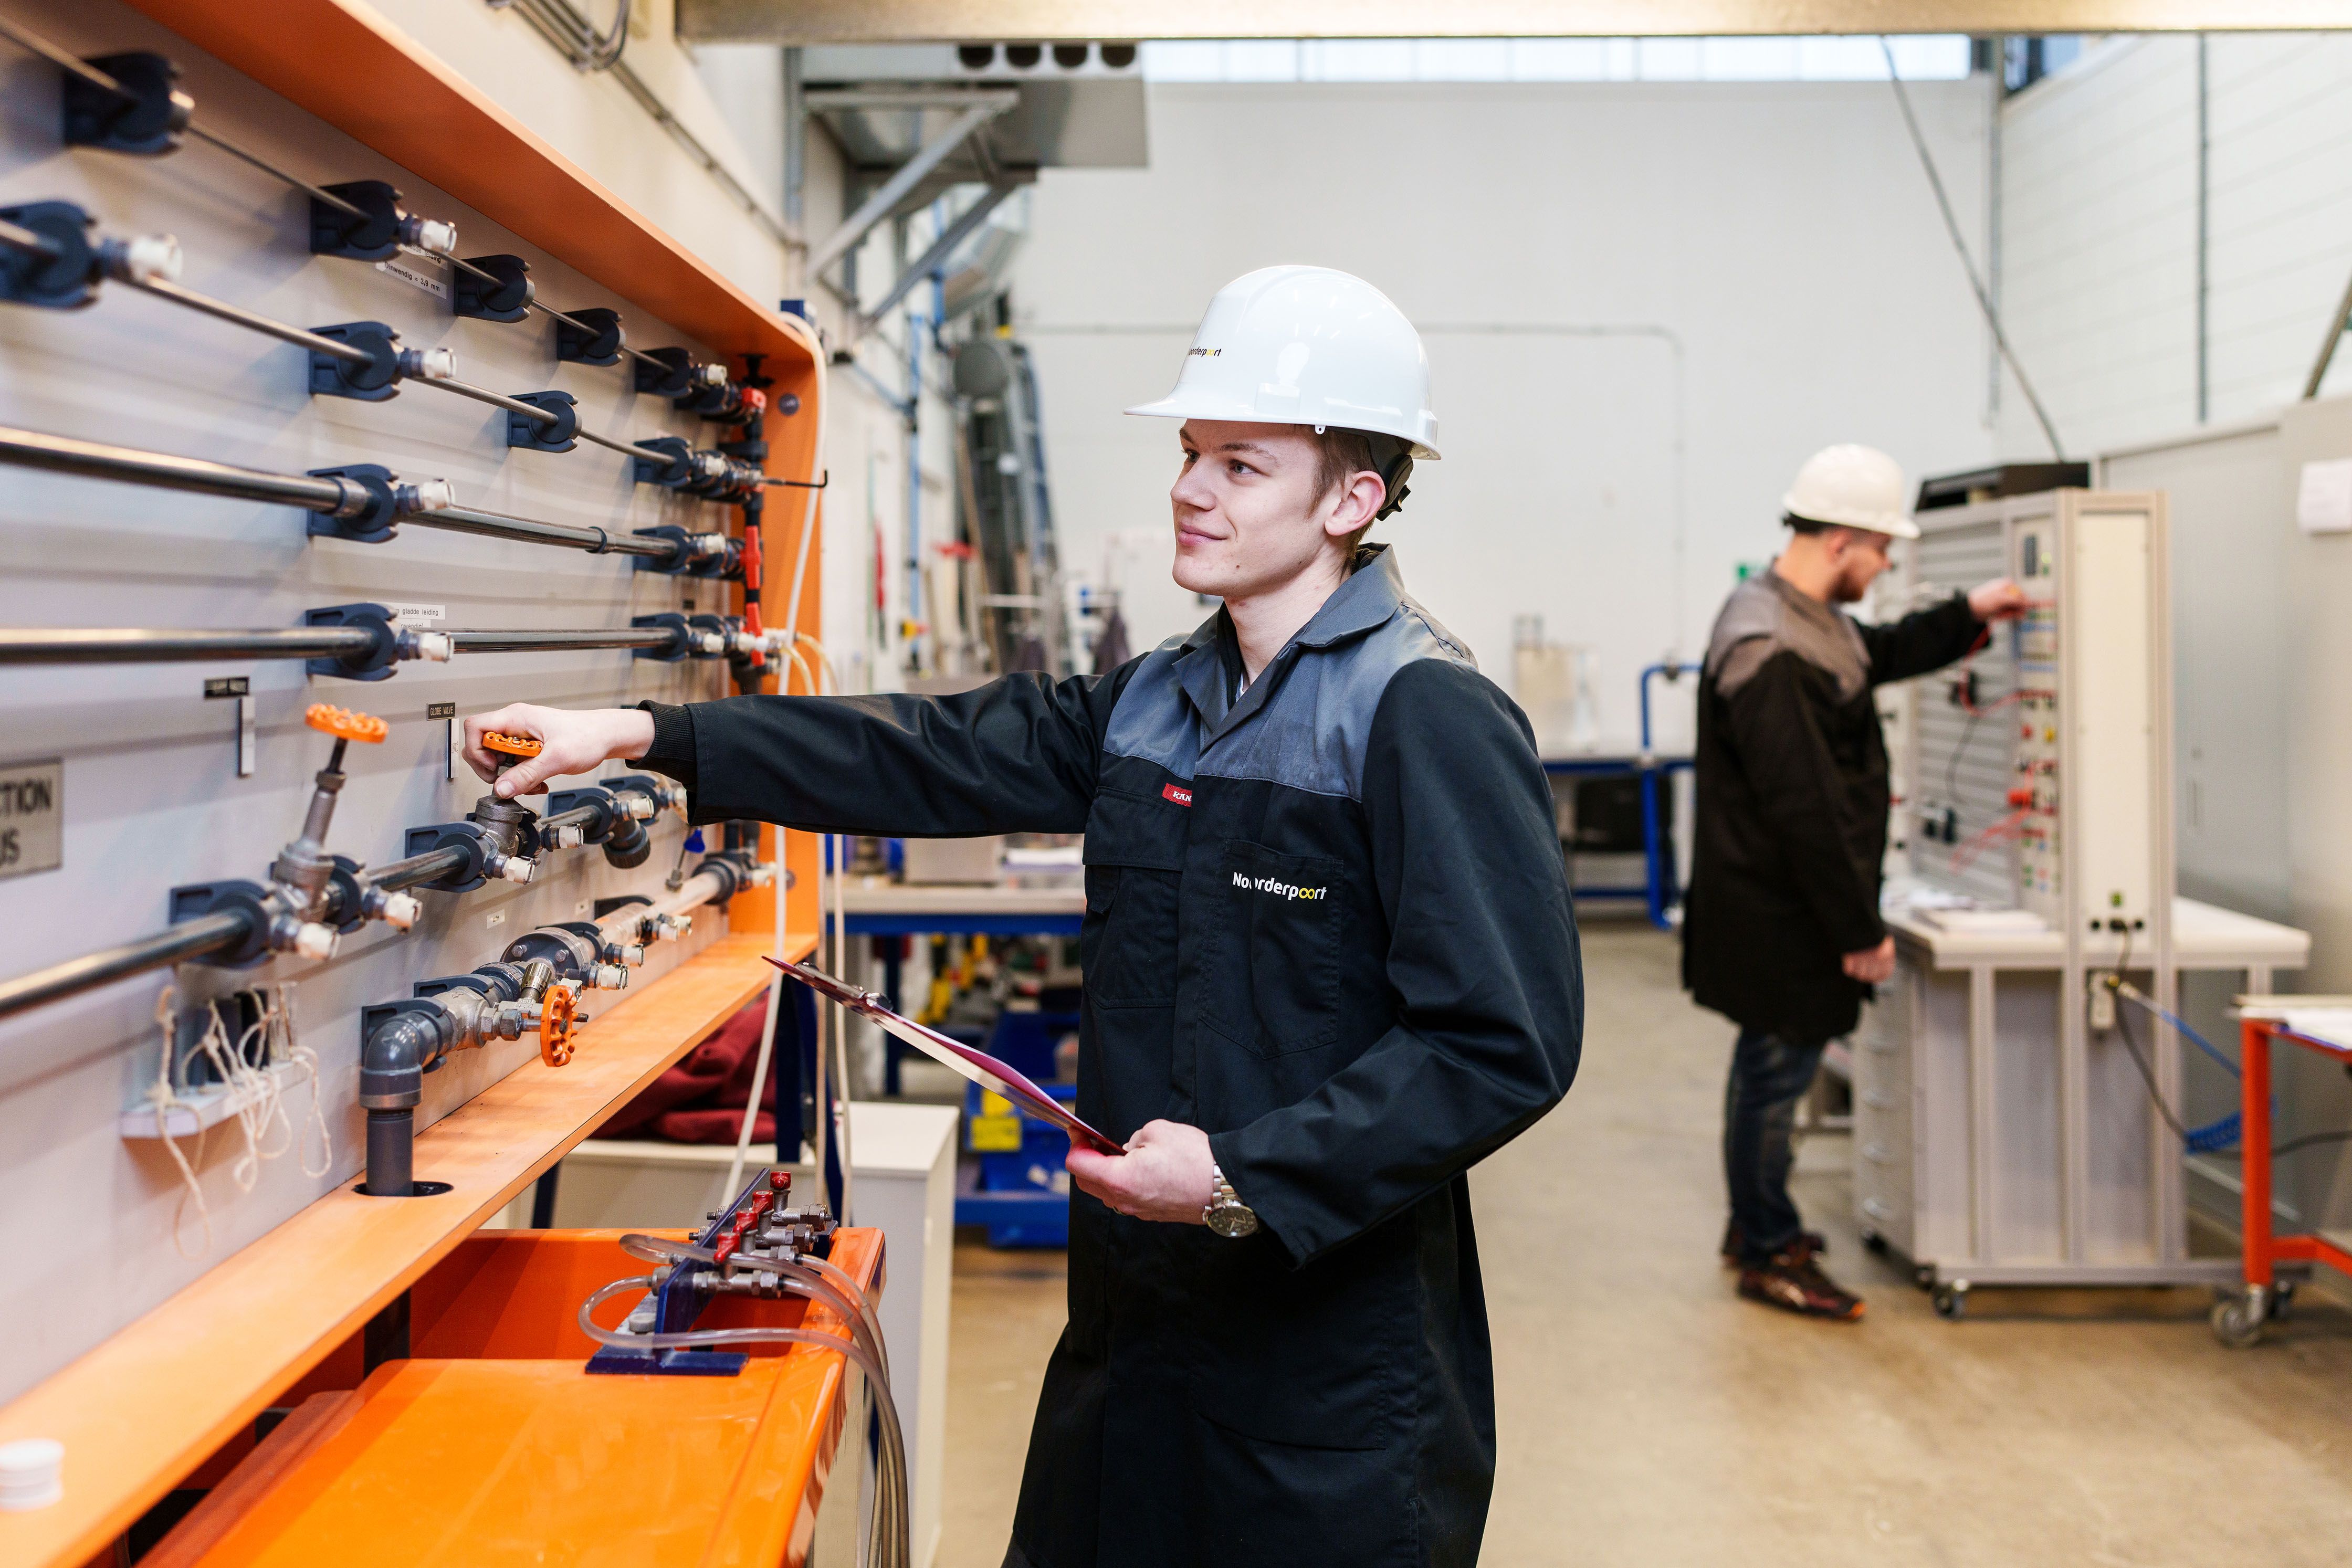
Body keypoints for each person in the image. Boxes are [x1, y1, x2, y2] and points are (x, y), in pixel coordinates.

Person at [463, 265, 1583, 1567]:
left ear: (1354, 498)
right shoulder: (1154, 700)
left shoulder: (1422, 713)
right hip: (1133, 1331)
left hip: (1322, 1353)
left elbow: (1497, 1045)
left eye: (1240, 464)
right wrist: (647, 732)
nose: (1188, 489)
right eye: (1188, 454)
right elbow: (924, 751)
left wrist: (1236, 1175)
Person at [1681, 444, 2028, 1321]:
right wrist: (1856, 932)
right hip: (1783, 915)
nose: (1886, 568)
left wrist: (1971, 612)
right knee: (1773, 1081)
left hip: (1778, 909)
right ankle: (1765, 1249)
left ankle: (1752, 1223)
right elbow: (1805, 810)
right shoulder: (1772, 647)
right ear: (1843, 542)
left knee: (1762, 1074)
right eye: (1883, 552)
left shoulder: (1793, 615)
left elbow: (1878, 650)